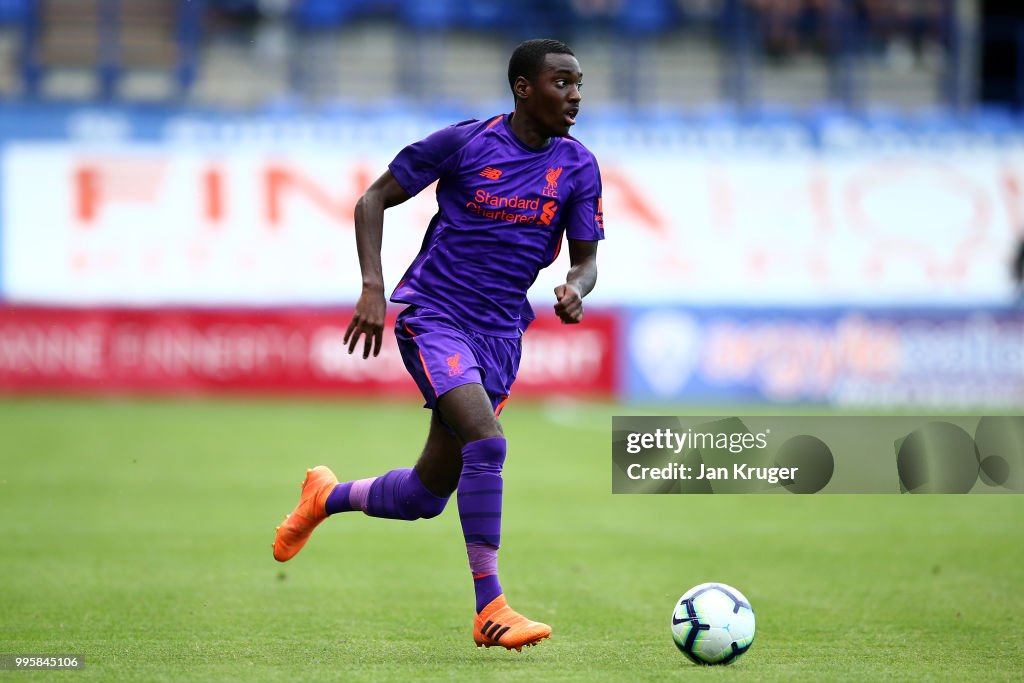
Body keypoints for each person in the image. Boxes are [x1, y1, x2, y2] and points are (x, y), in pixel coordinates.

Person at [272, 38, 604, 652]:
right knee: (488, 441)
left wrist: (574, 289)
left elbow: (585, 262)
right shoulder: (465, 143)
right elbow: (372, 198)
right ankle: (492, 609)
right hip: (437, 316)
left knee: (426, 494)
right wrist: (373, 286)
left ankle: (326, 496)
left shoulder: (579, 167)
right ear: (523, 88)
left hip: (503, 334)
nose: (575, 95)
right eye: (562, 82)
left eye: (579, 84)